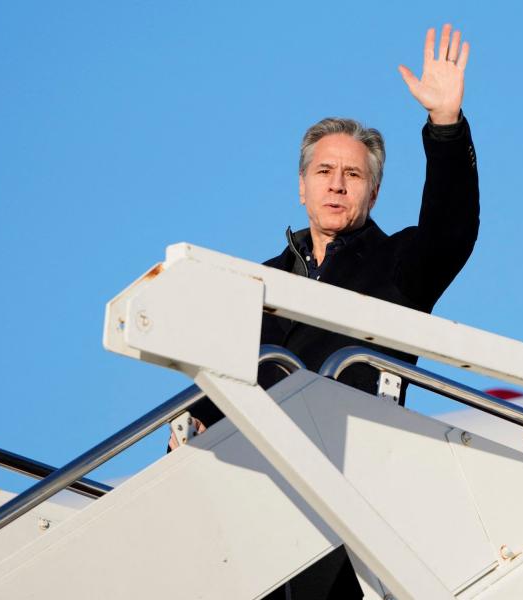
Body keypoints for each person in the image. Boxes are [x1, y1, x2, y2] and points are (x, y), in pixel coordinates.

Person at [172, 24, 479, 599]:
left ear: (373, 193)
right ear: (302, 187)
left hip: (345, 493)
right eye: (324, 172)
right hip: (247, 496)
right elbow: (218, 381)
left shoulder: (397, 264)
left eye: (353, 175)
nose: (337, 186)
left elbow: (452, 231)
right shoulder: (255, 281)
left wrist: (445, 126)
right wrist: (194, 423)